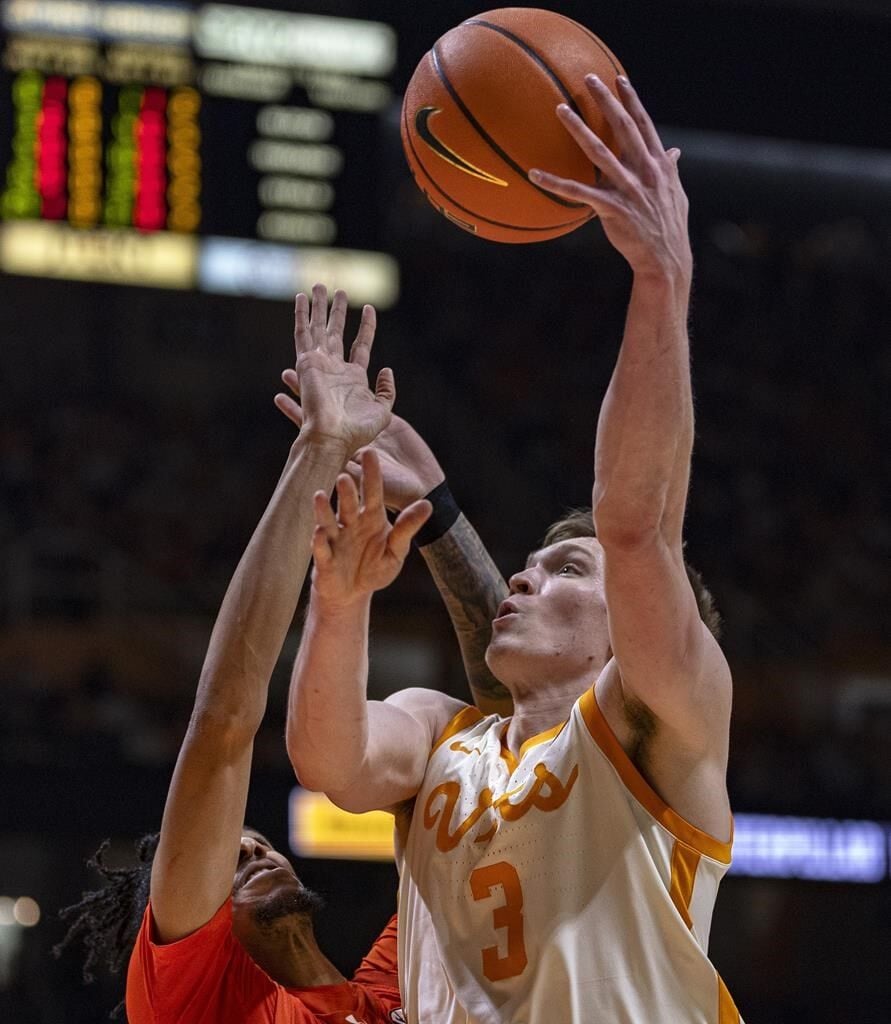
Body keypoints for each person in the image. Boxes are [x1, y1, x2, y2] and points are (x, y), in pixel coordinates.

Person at [285, 75, 744, 1023]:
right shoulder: (440, 732)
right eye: (532, 563)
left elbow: (635, 524)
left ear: (636, 629)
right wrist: (339, 601)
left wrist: (661, 281)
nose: (527, 573)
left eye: (563, 569)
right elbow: (329, 761)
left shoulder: (660, 723)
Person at [55, 287, 428, 1023]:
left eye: (253, 843)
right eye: (229, 856)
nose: (253, 851)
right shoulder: (193, 996)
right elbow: (224, 722)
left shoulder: (395, 989)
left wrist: (439, 516)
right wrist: (319, 451)